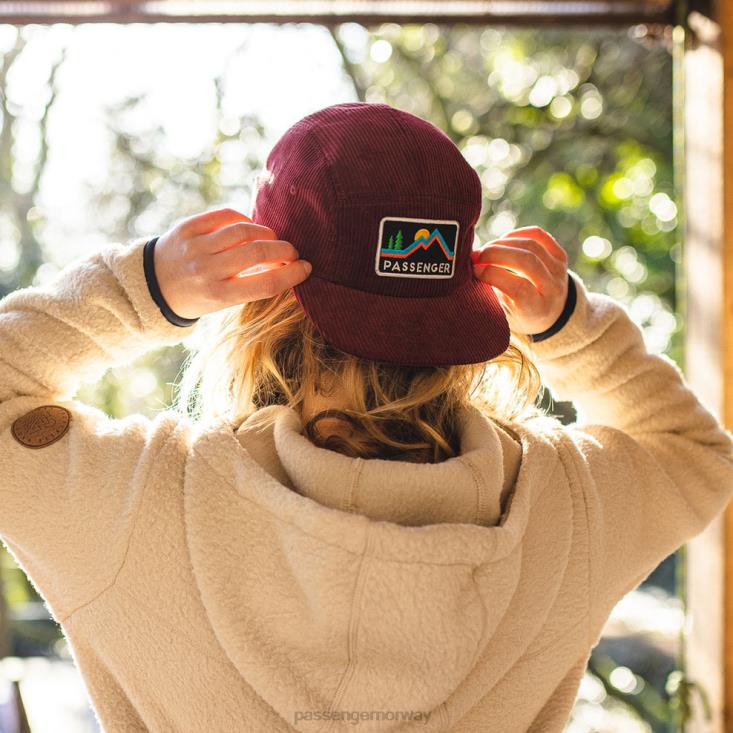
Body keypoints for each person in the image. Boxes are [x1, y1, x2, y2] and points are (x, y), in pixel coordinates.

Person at [0, 101, 731, 733]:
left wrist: (145, 286)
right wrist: (573, 326)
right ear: (465, 296)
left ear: (259, 302)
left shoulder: (140, 501)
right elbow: (695, 452)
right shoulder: (566, 507)